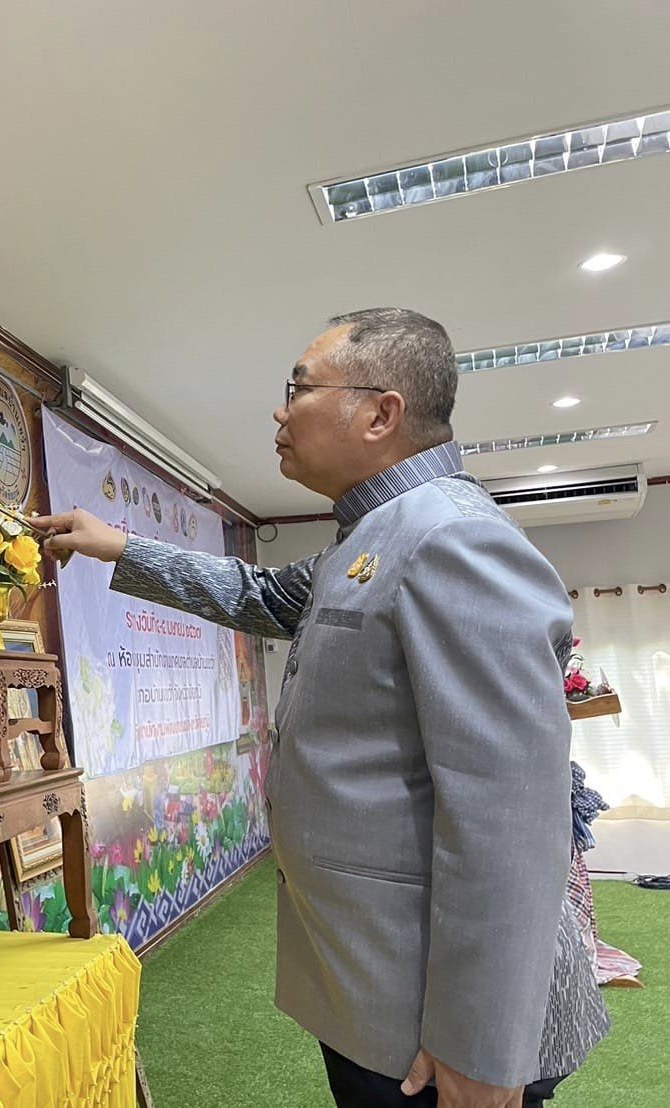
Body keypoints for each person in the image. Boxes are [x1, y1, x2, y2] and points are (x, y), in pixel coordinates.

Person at [35, 309, 607, 1108]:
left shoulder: (453, 539)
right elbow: (263, 593)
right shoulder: (370, 537)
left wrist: (481, 1047)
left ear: (380, 413)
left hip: (437, 1018)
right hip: (372, 981)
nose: (279, 410)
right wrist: (120, 547)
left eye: (297, 387)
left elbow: (508, 818)